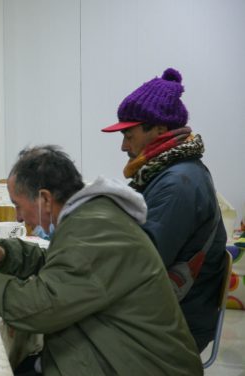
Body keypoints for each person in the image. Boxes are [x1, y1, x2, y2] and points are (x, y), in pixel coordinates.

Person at [0, 146, 202, 375]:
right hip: (124, 355)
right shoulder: (91, 217)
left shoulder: (93, 227)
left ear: (45, 199)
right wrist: (9, 256)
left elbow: (44, 306)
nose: (17, 217)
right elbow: (67, 270)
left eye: (18, 205)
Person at [101, 67, 227, 351]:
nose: (123, 146)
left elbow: (141, 262)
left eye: (129, 135)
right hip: (175, 308)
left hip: (176, 323)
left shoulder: (177, 184)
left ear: (158, 130)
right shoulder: (171, 171)